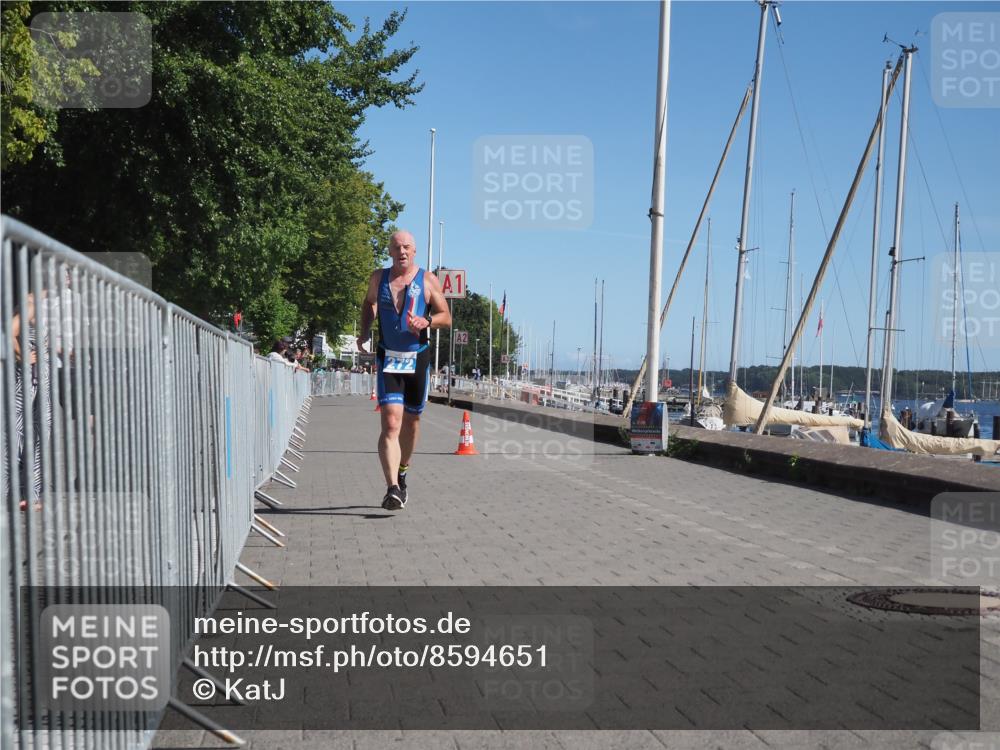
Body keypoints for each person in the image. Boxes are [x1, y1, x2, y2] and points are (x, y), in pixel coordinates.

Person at [357, 230, 451, 511]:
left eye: (407, 247)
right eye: (397, 247)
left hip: (417, 358)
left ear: (415, 251)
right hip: (389, 357)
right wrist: (364, 331)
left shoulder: (427, 279)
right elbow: (368, 303)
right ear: (389, 251)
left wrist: (427, 321)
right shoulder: (379, 278)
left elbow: (446, 316)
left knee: (411, 422)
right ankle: (392, 489)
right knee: (391, 423)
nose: (402, 252)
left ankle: (403, 471)